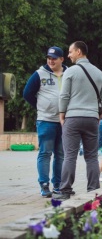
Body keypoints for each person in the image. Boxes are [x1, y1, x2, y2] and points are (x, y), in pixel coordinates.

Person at [53, 41, 102, 200]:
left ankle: (65, 190)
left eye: (70, 52)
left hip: (73, 118)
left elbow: (64, 95)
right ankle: (93, 190)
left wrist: (62, 113)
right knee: (92, 156)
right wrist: (100, 114)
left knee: (70, 155)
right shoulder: (99, 73)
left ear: (79, 52)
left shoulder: (70, 72)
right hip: (92, 119)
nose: (69, 55)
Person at [23, 46, 68, 197]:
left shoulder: (69, 73)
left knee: (60, 154)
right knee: (45, 153)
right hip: (46, 120)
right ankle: (44, 185)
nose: (51, 61)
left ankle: (58, 185)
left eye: (54, 58)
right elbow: (27, 93)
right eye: (49, 58)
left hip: (64, 121)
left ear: (62, 59)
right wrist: (42, 106)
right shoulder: (39, 74)